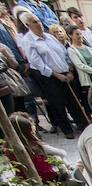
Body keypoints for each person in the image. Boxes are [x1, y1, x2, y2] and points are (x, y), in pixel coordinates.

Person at [22, 11, 88, 139]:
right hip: (50, 77)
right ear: (27, 25)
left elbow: (64, 52)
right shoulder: (28, 41)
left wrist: (69, 70)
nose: (39, 24)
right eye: (35, 22)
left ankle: (83, 124)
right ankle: (67, 129)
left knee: (74, 101)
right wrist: (56, 75)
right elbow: (37, 63)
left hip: (65, 73)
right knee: (57, 103)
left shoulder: (50, 37)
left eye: (39, 21)